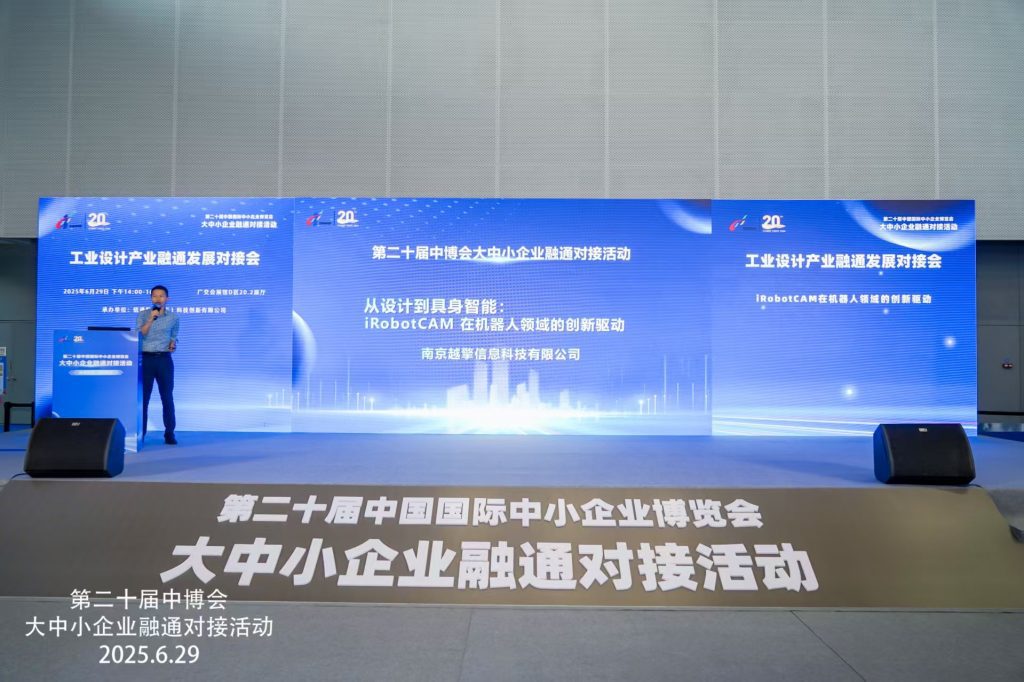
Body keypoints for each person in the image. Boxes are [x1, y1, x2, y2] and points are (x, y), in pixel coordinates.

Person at [136, 285, 179, 444]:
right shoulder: (143, 315)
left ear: (167, 299)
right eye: (155, 296)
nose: (158, 299)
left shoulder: (173, 317)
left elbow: (173, 336)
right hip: (145, 360)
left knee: (167, 397)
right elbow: (141, 334)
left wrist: (173, 344)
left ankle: (169, 433)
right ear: (151, 298)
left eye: (161, 296)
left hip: (164, 360)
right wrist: (150, 319)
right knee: (143, 399)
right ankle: (141, 433)